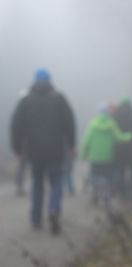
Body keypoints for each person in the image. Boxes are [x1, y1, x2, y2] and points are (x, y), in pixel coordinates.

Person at [11, 69, 75, 235]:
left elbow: (16, 126)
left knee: (37, 184)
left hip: (34, 151)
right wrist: (71, 145)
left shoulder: (25, 101)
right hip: (55, 150)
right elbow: (70, 123)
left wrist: (17, 148)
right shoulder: (59, 99)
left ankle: (35, 218)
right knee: (56, 183)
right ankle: (53, 210)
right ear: (50, 81)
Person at [81, 105, 132, 207]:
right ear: (107, 113)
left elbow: (86, 141)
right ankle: (106, 198)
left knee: (94, 176)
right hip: (107, 157)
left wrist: (84, 155)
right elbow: (119, 138)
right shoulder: (111, 124)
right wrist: (129, 136)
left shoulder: (92, 124)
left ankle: (95, 195)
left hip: (94, 157)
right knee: (107, 178)